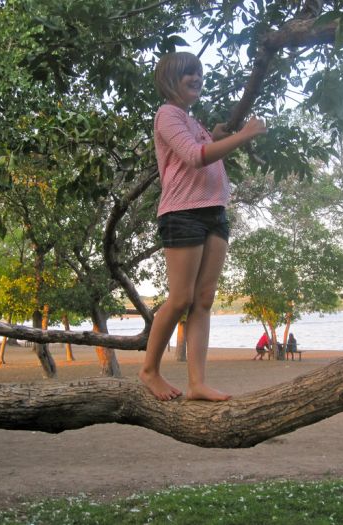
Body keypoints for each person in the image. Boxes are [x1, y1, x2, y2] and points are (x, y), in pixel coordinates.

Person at [139, 52, 267, 401]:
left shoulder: (192, 122)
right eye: (188, 74)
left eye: (199, 73)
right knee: (180, 298)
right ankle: (150, 370)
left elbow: (206, 148)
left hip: (215, 212)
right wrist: (244, 135)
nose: (197, 78)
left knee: (204, 299)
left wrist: (217, 136)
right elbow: (195, 157)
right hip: (183, 213)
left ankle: (197, 383)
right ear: (171, 80)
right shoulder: (167, 115)